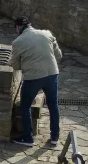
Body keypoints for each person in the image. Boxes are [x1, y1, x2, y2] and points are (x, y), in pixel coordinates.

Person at [10, 16, 62, 148]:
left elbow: (15, 65)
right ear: (30, 25)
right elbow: (59, 56)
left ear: (18, 27)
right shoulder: (47, 34)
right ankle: (55, 137)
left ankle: (28, 137)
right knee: (53, 105)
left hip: (33, 78)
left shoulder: (18, 42)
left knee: (25, 106)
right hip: (52, 74)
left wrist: (27, 65)